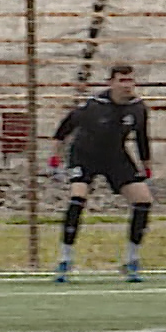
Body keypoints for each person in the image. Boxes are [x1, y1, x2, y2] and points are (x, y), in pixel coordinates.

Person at [49, 63, 154, 283]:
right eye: (122, 81)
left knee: (143, 200)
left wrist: (147, 167)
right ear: (111, 83)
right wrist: (55, 161)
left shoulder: (138, 108)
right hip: (84, 155)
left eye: (130, 81)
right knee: (78, 196)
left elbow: (142, 139)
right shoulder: (94, 105)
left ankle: (132, 260)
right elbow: (63, 130)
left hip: (116, 157)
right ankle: (65, 259)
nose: (127, 86)